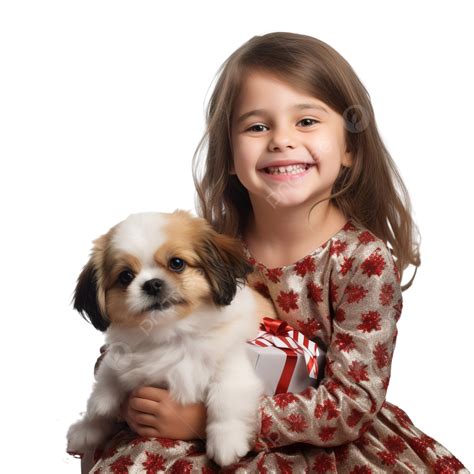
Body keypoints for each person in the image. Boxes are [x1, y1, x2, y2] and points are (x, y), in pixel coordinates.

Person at [86, 32, 467, 473]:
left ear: (350, 149)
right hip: (195, 414)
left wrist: (207, 419)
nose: (281, 140)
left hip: (321, 442)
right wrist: (139, 394)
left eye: (306, 121)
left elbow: (353, 402)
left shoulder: (363, 261)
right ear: (229, 155)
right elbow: (139, 334)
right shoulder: (214, 242)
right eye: (257, 126)